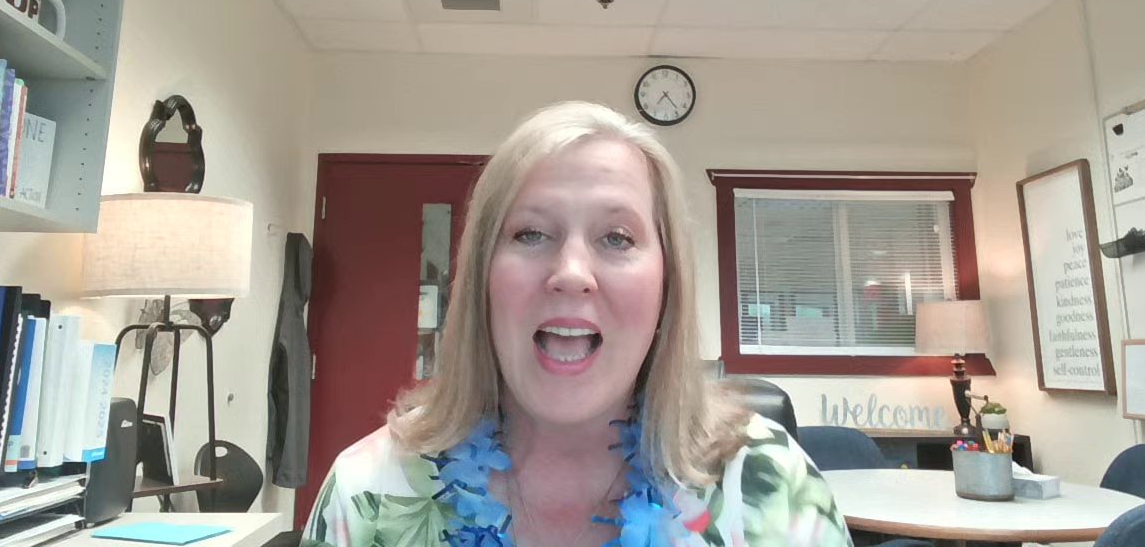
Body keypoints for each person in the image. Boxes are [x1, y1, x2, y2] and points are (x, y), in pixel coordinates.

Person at [302, 102, 852, 547]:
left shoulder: (771, 486)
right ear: (482, 277)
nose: (570, 273)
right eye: (530, 233)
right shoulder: (367, 493)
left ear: (668, 284)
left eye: (617, 238)